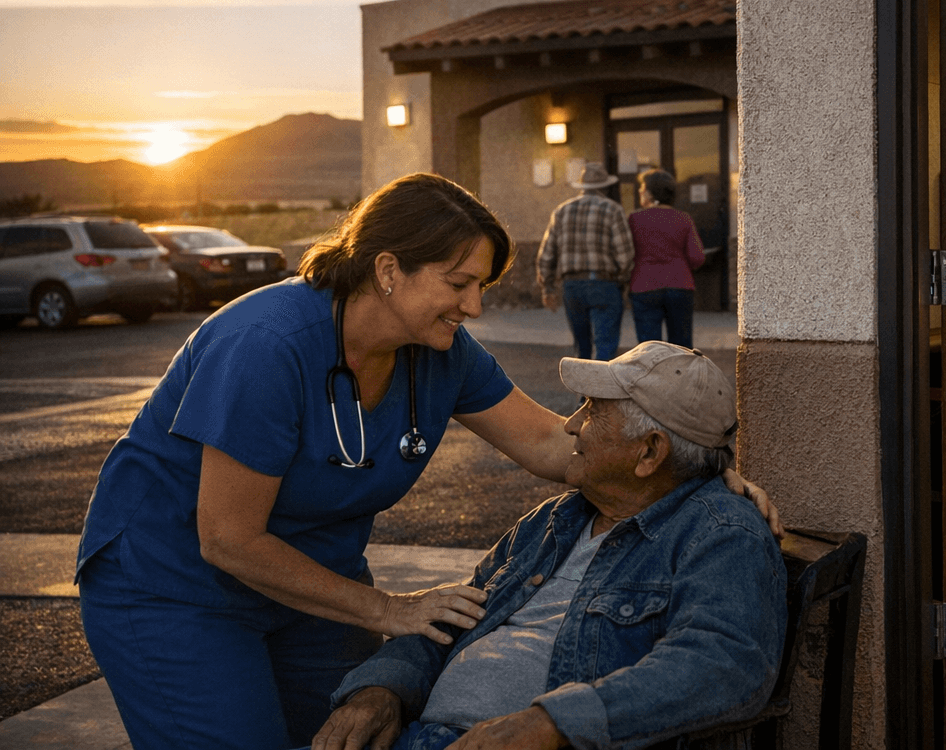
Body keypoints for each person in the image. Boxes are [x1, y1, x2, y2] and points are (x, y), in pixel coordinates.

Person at [74, 173, 775, 750]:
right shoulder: (264, 344)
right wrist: (387, 608)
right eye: (459, 283)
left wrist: (703, 475)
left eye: (482, 285)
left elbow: (555, 446)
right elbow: (226, 537)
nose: (474, 304)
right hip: (175, 584)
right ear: (388, 270)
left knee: (344, 734)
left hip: (315, 580)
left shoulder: (440, 353)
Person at [309, 341, 786, 750]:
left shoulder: (720, 533)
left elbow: (723, 663)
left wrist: (551, 723)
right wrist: (382, 689)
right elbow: (452, 619)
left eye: (593, 411)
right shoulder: (557, 518)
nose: (571, 425)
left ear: (650, 452)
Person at [537, 162, 636, 362]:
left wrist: (547, 288)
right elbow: (626, 255)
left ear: (582, 186)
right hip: (604, 284)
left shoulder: (561, 211)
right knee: (605, 346)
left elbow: (546, 254)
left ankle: (584, 394)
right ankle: (601, 393)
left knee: (581, 347)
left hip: (572, 286)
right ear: (605, 187)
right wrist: (623, 281)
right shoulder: (613, 209)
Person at [627, 168, 706, 348]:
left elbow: (626, 253)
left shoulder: (634, 219)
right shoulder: (683, 219)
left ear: (649, 192)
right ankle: (679, 376)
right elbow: (697, 257)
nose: (640, 191)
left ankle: (652, 376)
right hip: (680, 285)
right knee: (681, 346)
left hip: (644, 285)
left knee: (648, 347)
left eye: (642, 187)